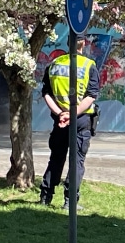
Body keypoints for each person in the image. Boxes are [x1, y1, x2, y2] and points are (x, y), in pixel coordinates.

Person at [38, 35, 99, 210]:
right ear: (84, 44)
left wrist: (60, 114)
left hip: (60, 120)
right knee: (77, 160)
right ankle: (70, 201)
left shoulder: (54, 64)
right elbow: (91, 95)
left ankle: (45, 196)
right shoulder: (89, 66)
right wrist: (72, 114)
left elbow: (46, 93)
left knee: (56, 158)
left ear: (67, 44)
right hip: (80, 119)